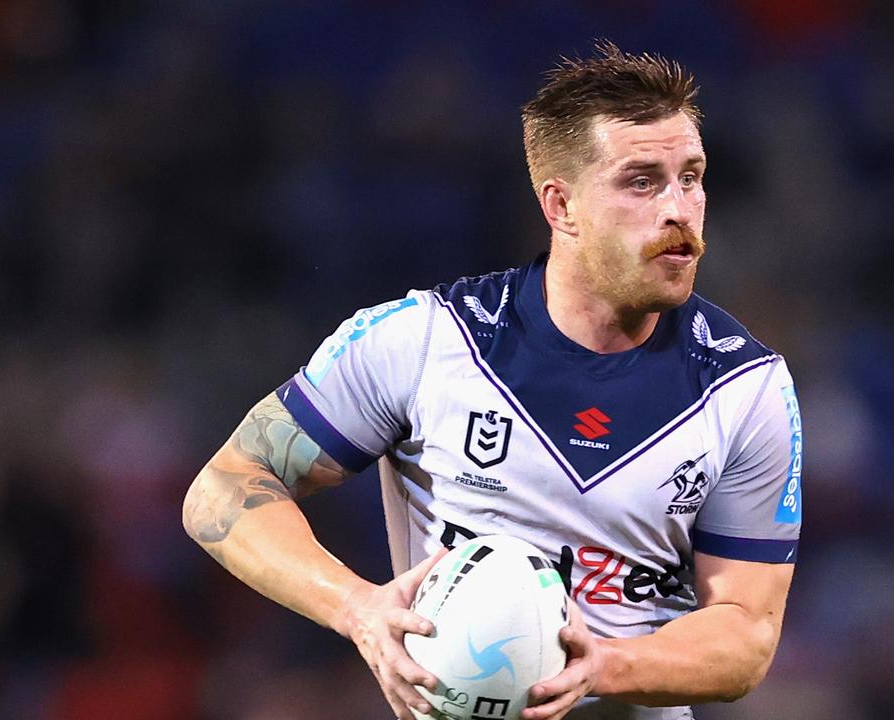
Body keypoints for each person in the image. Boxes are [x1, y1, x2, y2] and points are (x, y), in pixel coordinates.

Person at [183, 41, 803, 720]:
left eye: (691, 176)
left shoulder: (746, 387)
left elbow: (746, 631)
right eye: (642, 181)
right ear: (560, 206)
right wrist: (356, 607)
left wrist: (608, 665)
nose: (679, 209)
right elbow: (224, 486)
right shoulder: (425, 340)